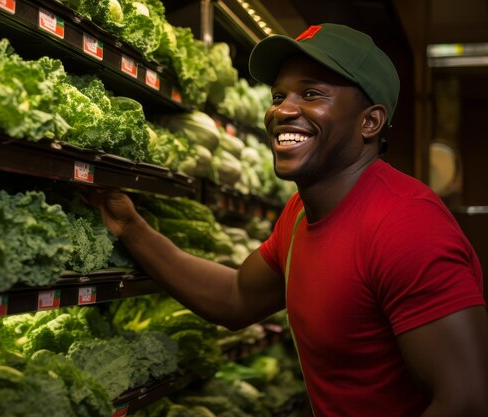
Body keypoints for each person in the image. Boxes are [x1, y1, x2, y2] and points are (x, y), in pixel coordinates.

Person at [91, 23, 488, 417]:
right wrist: (131, 228)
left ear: (370, 122)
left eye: (312, 94)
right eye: (279, 95)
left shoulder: (407, 226)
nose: (282, 110)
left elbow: (465, 402)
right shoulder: (299, 214)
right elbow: (236, 298)